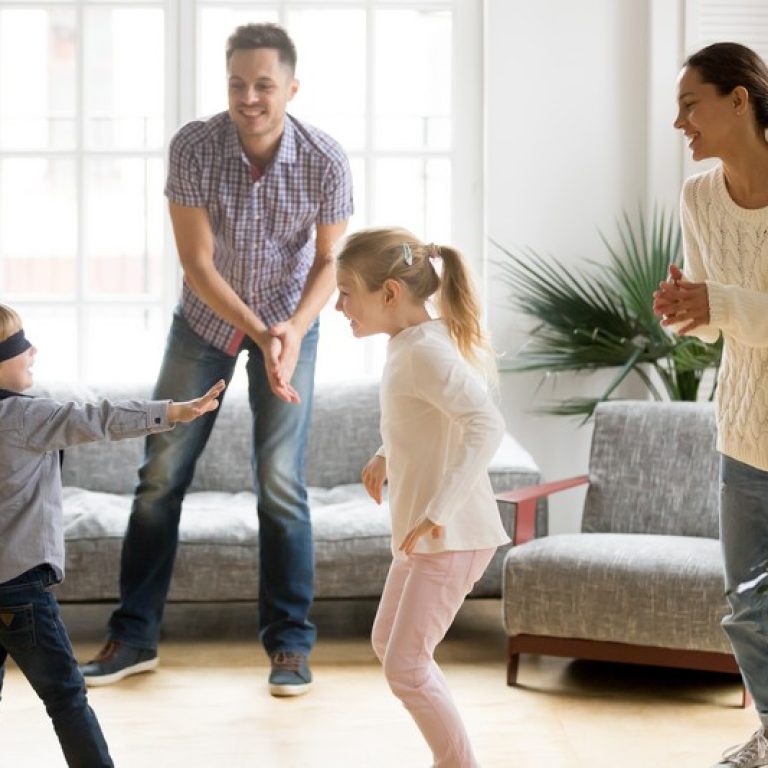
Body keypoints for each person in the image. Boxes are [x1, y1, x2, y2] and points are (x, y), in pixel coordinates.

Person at [79, 22, 352, 696]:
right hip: (205, 323)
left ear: (292, 87)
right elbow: (198, 266)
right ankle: (134, 636)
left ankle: (290, 646)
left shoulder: (325, 158)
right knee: (160, 474)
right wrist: (258, 332)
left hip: (292, 324)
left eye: (264, 84)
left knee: (281, 482)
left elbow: (330, 262)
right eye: (238, 83)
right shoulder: (195, 147)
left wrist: (288, 329)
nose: (249, 97)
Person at [0, 303, 224, 768]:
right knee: (65, 697)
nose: (33, 352)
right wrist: (174, 411)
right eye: (21, 346)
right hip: (19, 589)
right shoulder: (25, 417)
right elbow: (99, 417)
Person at [335, 228, 510, 768]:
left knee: (405, 665)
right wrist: (386, 450)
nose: (339, 306)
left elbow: (486, 424)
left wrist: (439, 509)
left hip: (450, 535)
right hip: (428, 536)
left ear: (389, 293)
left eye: (346, 293)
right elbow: (423, 415)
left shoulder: (425, 351)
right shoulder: (411, 343)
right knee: (390, 645)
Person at [653, 42, 768, 768]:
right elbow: (718, 317)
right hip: (743, 429)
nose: (679, 122)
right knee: (748, 609)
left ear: (740, 99)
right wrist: (686, 313)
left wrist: (717, 302)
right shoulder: (698, 196)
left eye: (690, 103)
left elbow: (731, 300)